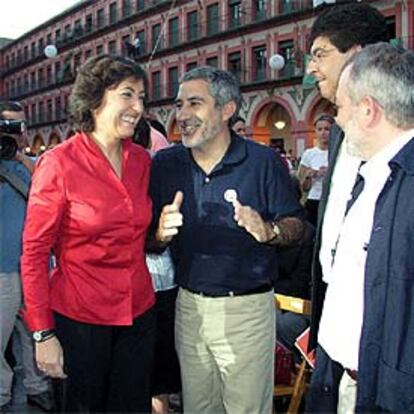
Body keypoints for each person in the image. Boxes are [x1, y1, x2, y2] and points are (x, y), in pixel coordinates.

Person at [149, 66, 304, 414]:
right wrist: (158, 233)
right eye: (179, 105)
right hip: (188, 308)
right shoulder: (165, 164)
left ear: (227, 108)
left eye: (195, 104)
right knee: (198, 408)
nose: (182, 115)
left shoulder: (263, 161)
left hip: (246, 311)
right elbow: (149, 242)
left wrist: (270, 231)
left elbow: (298, 225)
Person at [20, 55, 156, 413]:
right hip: (80, 320)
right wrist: (43, 333)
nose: (138, 107)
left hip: (139, 315)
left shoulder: (142, 160)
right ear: (95, 99)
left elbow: (138, 234)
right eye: (127, 95)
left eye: (142, 97)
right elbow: (34, 254)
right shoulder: (59, 163)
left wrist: (163, 230)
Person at [314, 42, 414, 413]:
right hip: (347, 382)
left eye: (340, 107)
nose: (336, 119)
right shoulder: (370, 178)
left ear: (368, 110)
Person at [304, 4, 389, 410]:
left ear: (356, 55)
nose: (311, 68)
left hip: (382, 364)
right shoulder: (338, 135)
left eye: (321, 54)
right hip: (334, 342)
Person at [0, 101, 52, 414]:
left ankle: (38, 388)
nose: (13, 134)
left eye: (18, 127)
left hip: (34, 267)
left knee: (33, 334)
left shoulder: (36, 164)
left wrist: (20, 155)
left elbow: (51, 191)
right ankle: (3, 394)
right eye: (5, 127)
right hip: (3, 269)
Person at [133, 118, 181, 414]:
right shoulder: (159, 166)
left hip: (150, 278)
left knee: (150, 366)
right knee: (159, 368)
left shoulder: (147, 169)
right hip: (162, 279)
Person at [274, 176, 314, 357]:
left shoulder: (309, 234)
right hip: (272, 299)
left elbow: (301, 282)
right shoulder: (265, 228)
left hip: (299, 305)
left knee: (283, 323)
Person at [298, 114, 334, 226]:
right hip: (314, 199)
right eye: (320, 129)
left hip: (332, 200)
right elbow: (303, 187)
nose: (323, 133)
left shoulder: (339, 153)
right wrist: (310, 175)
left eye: (327, 129)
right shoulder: (309, 154)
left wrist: (329, 172)